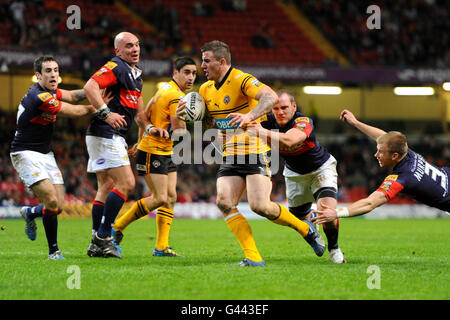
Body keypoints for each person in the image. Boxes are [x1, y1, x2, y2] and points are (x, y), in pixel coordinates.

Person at [176, 40, 325, 266]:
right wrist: (189, 117)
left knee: (260, 206)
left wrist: (249, 116)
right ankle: (253, 257)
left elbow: (270, 97)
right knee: (225, 202)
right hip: (229, 153)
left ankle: (306, 229)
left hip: (255, 150)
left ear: (222, 61)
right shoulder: (205, 89)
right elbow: (208, 124)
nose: (201, 66)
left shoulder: (241, 79)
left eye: (206, 61)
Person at [10, 56, 101, 260]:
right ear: (38, 76)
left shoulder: (52, 91)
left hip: (45, 154)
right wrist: (99, 108)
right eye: (48, 71)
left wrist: (97, 88)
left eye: (56, 70)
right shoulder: (39, 97)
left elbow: (75, 95)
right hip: (25, 153)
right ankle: (54, 251)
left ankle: (31, 213)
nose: (53, 74)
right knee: (51, 201)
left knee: (58, 206)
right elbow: (76, 110)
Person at [84, 31, 165, 259]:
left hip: (110, 135)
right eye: (129, 46)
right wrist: (107, 114)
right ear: (118, 50)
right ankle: (103, 237)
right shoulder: (116, 66)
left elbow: (140, 115)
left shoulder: (135, 75)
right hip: (104, 131)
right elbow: (90, 87)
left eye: (137, 45)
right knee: (127, 182)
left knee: (107, 185)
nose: (135, 49)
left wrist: (148, 131)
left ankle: (95, 242)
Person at [112, 56, 197, 257]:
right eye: (186, 72)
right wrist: (193, 122)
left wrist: (140, 141)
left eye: (194, 73)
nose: (191, 77)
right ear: (175, 73)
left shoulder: (164, 90)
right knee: (159, 198)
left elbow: (145, 116)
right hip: (154, 151)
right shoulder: (177, 97)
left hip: (163, 151)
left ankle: (161, 246)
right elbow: (178, 132)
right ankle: (116, 227)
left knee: (171, 198)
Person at [246, 90, 345, 263]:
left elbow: (290, 141)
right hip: (294, 174)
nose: (280, 112)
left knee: (327, 211)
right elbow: (244, 125)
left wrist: (261, 132)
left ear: (293, 107)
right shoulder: (267, 121)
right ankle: (312, 232)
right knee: (297, 219)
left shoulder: (303, 121)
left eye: (284, 107)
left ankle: (334, 249)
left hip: (320, 168)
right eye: (275, 109)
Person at [312, 109, 450, 224]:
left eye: (380, 152)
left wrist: (336, 213)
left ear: (395, 156)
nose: (376, 155)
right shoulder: (406, 152)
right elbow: (383, 136)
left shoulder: (401, 178)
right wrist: (355, 123)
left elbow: (370, 203)